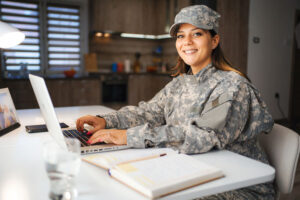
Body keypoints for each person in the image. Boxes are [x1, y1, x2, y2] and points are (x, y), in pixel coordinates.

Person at [76, 5, 275, 199]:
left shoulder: (233, 85)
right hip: (194, 169)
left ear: (214, 41)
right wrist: (107, 121)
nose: (186, 41)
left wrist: (129, 136)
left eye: (196, 34)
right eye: (181, 36)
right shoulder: (179, 84)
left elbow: (203, 137)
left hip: (239, 183)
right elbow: (149, 112)